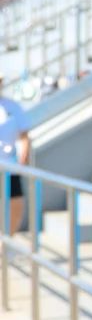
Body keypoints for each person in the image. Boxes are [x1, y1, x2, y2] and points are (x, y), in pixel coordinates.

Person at [0, 75, 30, 236]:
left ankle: (5, 240)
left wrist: (24, 153)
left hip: (8, 165)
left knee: (16, 203)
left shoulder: (12, 106)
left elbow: (24, 135)